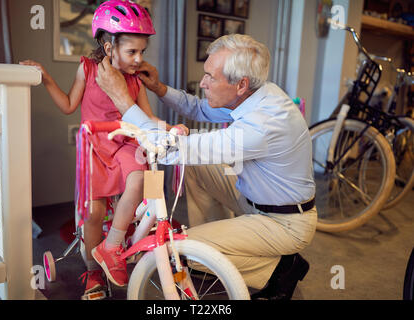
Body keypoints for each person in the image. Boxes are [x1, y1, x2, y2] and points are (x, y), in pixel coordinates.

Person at [95, 33, 317, 300]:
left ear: (241, 84)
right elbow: (199, 109)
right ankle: (219, 243)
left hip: (283, 223)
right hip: (253, 198)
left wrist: (122, 99)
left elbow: (169, 150)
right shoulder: (259, 92)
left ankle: (282, 267)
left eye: (211, 77)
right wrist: (159, 88)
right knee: (194, 166)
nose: (203, 82)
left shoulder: (264, 124)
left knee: (181, 252)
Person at [21, 0, 187, 297]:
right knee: (93, 215)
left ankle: (113, 244)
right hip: (95, 149)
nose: (138, 59)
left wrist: (169, 127)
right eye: (131, 52)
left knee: (141, 177)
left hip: (125, 142)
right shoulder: (87, 69)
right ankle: (92, 272)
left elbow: (147, 119)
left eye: (142, 52)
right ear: (109, 48)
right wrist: (46, 78)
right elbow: (69, 105)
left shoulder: (135, 80)